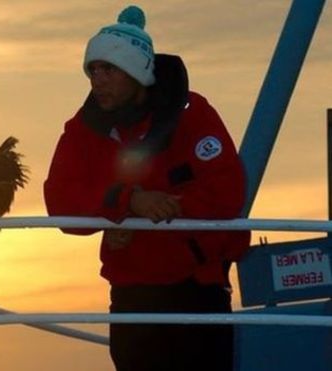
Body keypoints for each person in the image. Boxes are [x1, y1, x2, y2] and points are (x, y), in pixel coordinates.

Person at [43, 5, 250, 371]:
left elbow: (227, 193)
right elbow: (60, 201)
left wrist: (159, 213)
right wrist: (127, 203)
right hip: (132, 296)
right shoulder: (82, 130)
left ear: (136, 72)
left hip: (197, 292)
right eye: (92, 69)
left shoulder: (192, 114)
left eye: (108, 69)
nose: (97, 80)